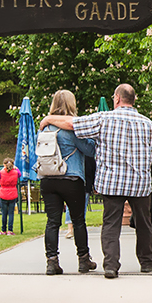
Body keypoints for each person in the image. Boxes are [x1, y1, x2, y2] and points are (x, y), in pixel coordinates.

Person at [41, 83, 152, 279]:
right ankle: (147, 262)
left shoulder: (103, 118)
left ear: (117, 98)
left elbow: (72, 125)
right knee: (144, 224)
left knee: (111, 224)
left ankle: (111, 266)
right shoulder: (148, 123)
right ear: (134, 100)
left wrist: (49, 119)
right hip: (140, 183)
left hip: (112, 181)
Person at [39, 90, 96, 275]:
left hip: (48, 179)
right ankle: (83, 259)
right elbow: (89, 150)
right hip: (71, 178)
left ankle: (51, 261)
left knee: (52, 222)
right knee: (78, 220)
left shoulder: (44, 128)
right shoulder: (73, 129)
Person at [0, 158, 20, 235]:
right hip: (13, 193)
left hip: (3, 193)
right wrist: (17, 168)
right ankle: (10, 230)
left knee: (4, 213)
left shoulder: (1, 172)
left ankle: (3, 230)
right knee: (11, 213)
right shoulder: (15, 172)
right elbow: (20, 174)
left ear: (4, 165)